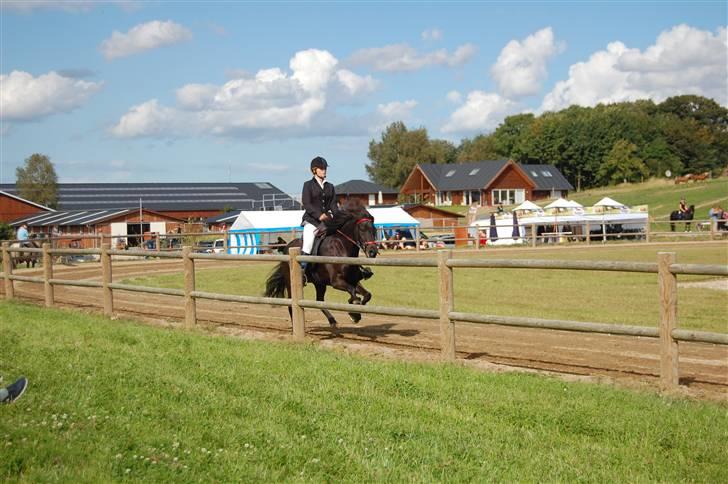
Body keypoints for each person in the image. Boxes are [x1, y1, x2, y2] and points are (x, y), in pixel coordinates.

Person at [300, 156, 336, 277]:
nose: (324, 170)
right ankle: (302, 272)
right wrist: (319, 215)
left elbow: (333, 205)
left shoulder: (330, 186)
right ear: (314, 170)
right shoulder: (308, 185)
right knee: (308, 242)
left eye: (325, 168)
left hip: (326, 221)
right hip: (311, 221)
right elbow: (307, 203)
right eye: (321, 168)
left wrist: (339, 218)